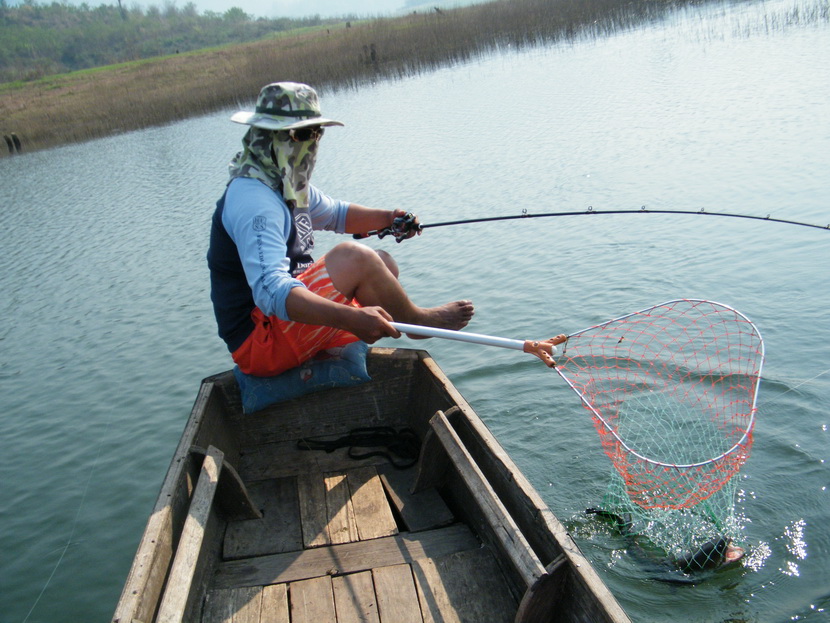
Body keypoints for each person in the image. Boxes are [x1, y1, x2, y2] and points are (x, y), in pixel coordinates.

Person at [208, 81, 474, 377]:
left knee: (382, 264)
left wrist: (389, 218)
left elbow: (337, 215)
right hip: (261, 342)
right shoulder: (253, 199)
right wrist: (350, 317)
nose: (313, 143)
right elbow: (271, 291)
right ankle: (417, 322)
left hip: (282, 328)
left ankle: (386, 323)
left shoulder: (283, 183)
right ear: (271, 137)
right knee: (354, 258)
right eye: (304, 134)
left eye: (317, 134)